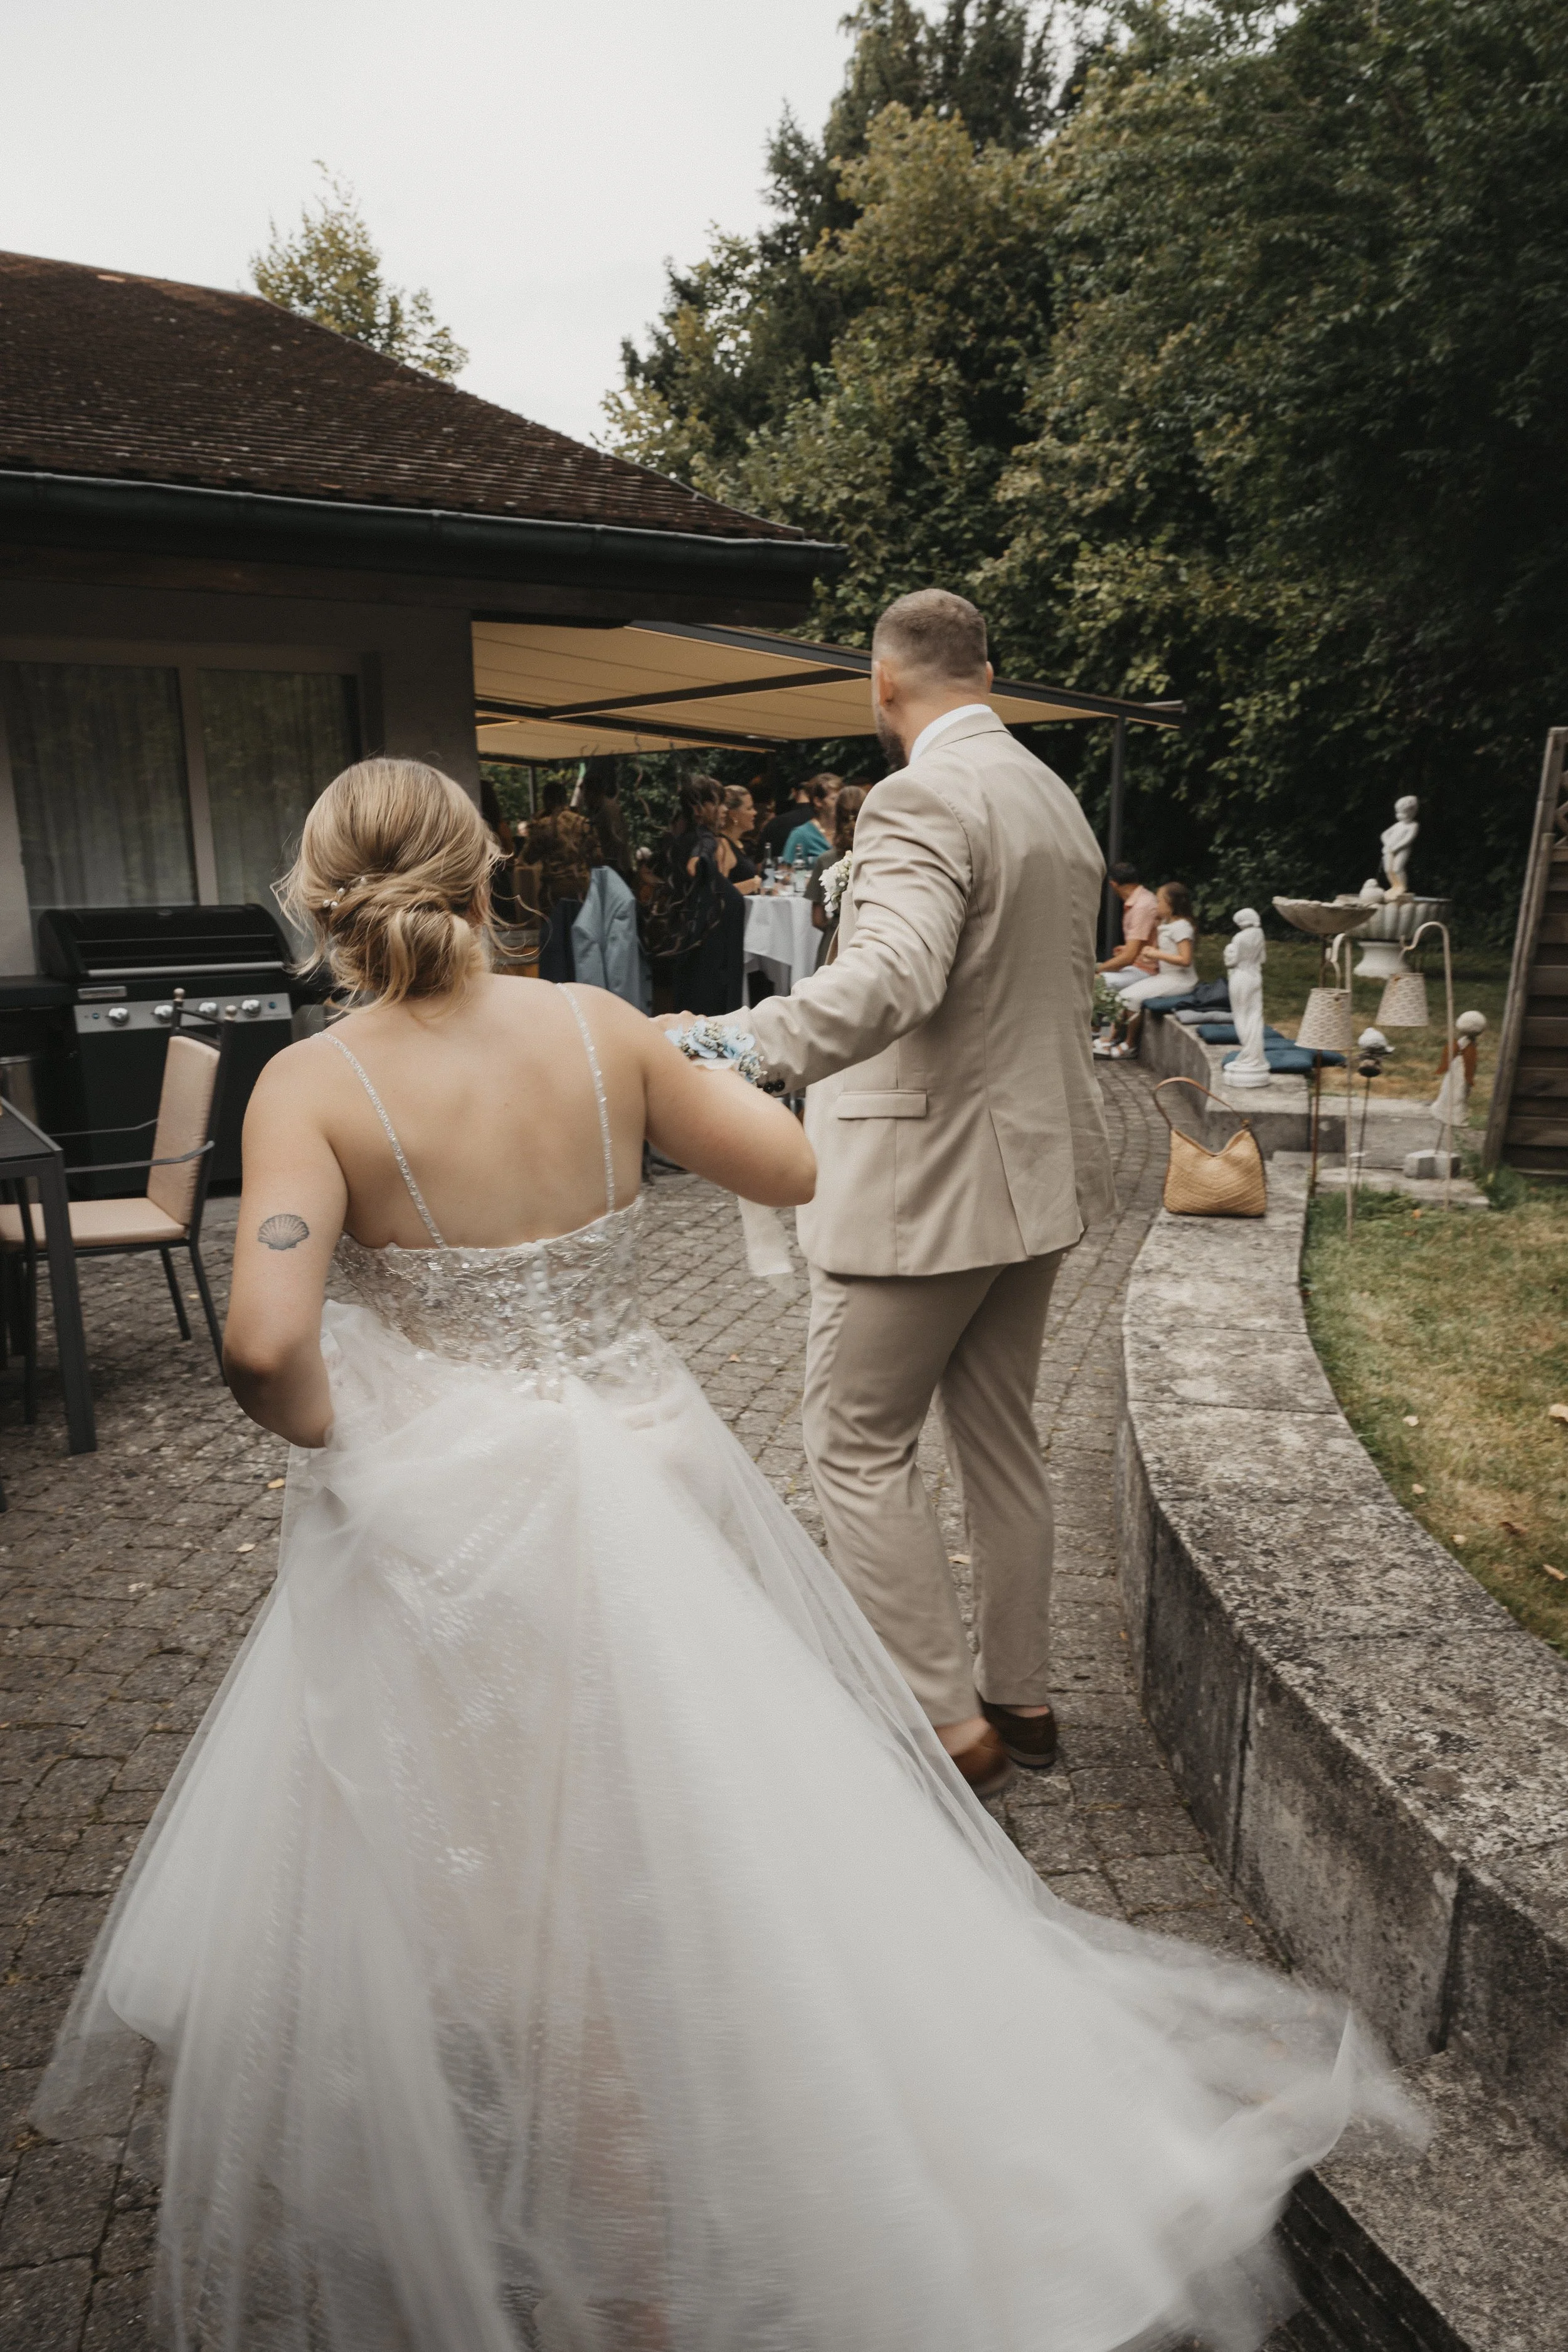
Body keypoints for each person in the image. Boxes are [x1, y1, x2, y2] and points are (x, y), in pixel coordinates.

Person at [38, 755, 1403, 2352]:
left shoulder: (315, 1084)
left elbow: (265, 1343)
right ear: (490, 877)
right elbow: (793, 1166)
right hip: (646, 1470)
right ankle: (656, 2189)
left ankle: (601, 2246)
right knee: (666, 1809)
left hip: (454, 1523)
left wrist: (372, 1429)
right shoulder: (602, 1031)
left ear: (322, 898)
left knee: (488, 1857)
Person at [734, 590, 1113, 1799]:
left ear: (881, 687)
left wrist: (734, 1048)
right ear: (987, 674)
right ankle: (1026, 1696)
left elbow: (893, 975)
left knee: (852, 1443)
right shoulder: (1053, 798)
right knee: (1001, 1442)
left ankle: (948, 1725)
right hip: (1034, 1176)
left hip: (925, 1186)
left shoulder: (915, 796)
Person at [1102, 881, 1197, 1058]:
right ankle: (1108, 1038)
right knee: (1122, 996)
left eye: (1160, 902)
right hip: (1166, 976)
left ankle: (1129, 1044)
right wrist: (1150, 954)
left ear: (1171, 904)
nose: (1157, 906)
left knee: (1132, 998)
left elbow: (1185, 960)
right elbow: (1166, 952)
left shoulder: (1182, 927)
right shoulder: (1169, 925)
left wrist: (1156, 954)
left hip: (1181, 980)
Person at [809, 781, 865, 967]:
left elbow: (817, 919)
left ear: (836, 817)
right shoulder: (879, 858)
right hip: (868, 941)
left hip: (837, 941)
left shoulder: (825, 860)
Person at [1096, 860, 1160, 992]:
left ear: (1113, 884)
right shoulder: (1142, 899)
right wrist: (1127, 948)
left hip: (1146, 970)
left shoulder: (1141, 906)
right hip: (1138, 966)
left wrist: (1097, 969)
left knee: (1090, 983)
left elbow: (1128, 958)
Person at [757, 773, 820, 862]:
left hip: (781, 873)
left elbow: (761, 862)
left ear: (794, 792)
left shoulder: (775, 823)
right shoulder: (823, 822)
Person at [781, 775, 838, 869]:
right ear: (818, 802)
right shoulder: (802, 834)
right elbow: (785, 872)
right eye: (834, 799)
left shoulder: (848, 831)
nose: (841, 803)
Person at [714, 783, 761, 894]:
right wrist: (753, 884)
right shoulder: (722, 845)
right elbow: (719, 892)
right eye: (749, 808)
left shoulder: (739, 843)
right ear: (734, 815)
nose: (755, 812)